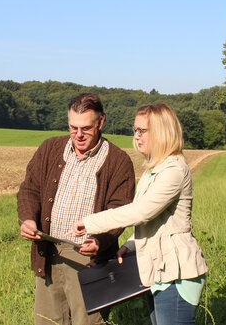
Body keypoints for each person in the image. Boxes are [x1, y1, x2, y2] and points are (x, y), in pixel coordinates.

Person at [73, 103, 208, 325]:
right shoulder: (152, 171)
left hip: (177, 274)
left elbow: (142, 212)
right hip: (159, 272)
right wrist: (131, 245)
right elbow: (157, 223)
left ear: (162, 132)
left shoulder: (174, 170)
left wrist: (91, 222)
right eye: (135, 130)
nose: (136, 137)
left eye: (142, 131)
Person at [17, 93, 136, 325]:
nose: (78, 135)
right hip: (48, 252)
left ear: (101, 122)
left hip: (88, 260)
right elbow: (29, 190)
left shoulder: (118, 161)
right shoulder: (50, 149)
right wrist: (28, 220)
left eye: (86, 128)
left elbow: (120, 209)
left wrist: (100, 240)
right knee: (47, 321)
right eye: (73, 127)